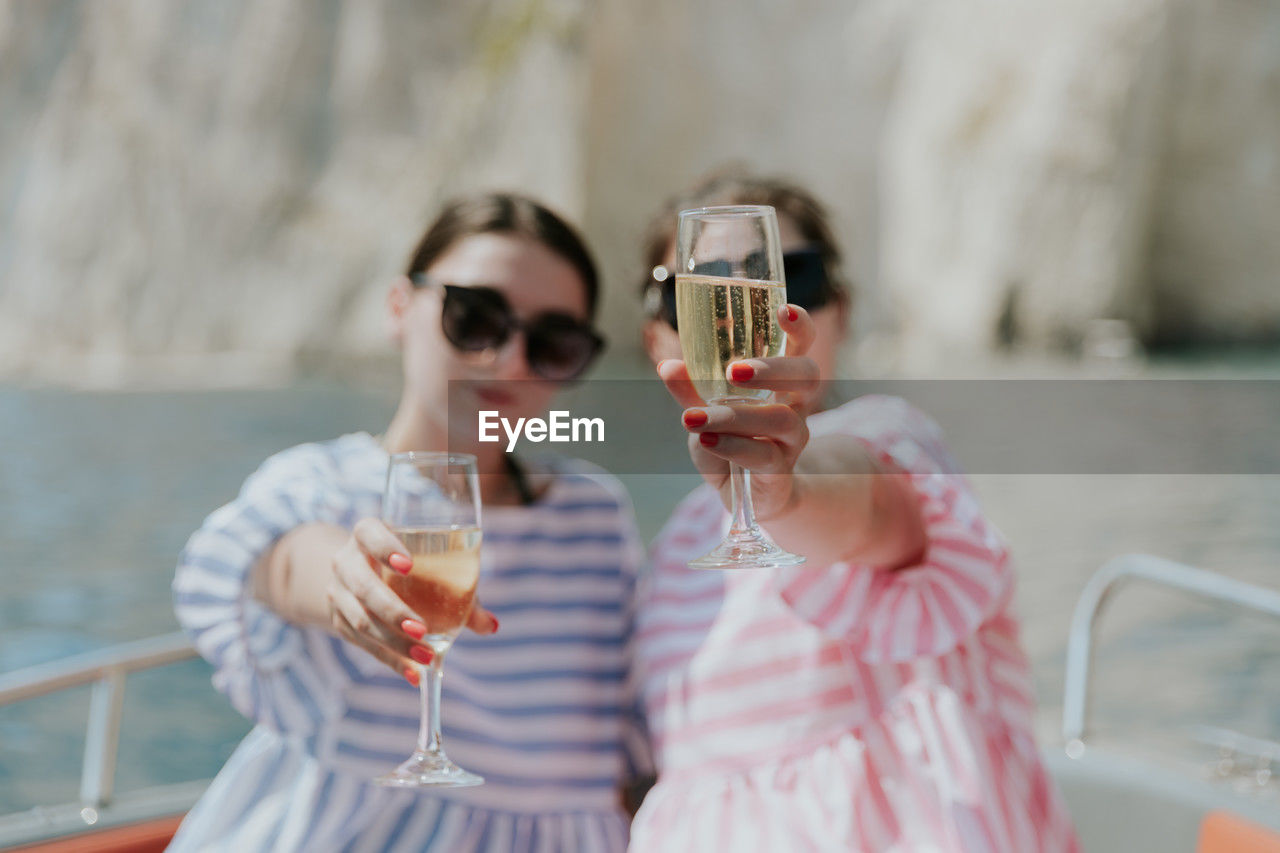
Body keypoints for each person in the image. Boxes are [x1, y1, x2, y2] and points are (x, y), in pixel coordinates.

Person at [170, 193, 649, 852]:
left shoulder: (595, 511)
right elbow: (273, 558)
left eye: (552, 341)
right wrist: (346, 578)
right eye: (476, 317)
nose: (510, 359)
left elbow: (631, 734)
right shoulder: (324, 484)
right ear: (400, 307)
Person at [630, 171, 1080, 852]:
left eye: (791, 276)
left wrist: (785, 488)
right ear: (659, 337)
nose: (742, 299)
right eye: (697, 283)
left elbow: (866, 508)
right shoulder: (668, 550)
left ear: (837, 311)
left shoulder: (888, 435)